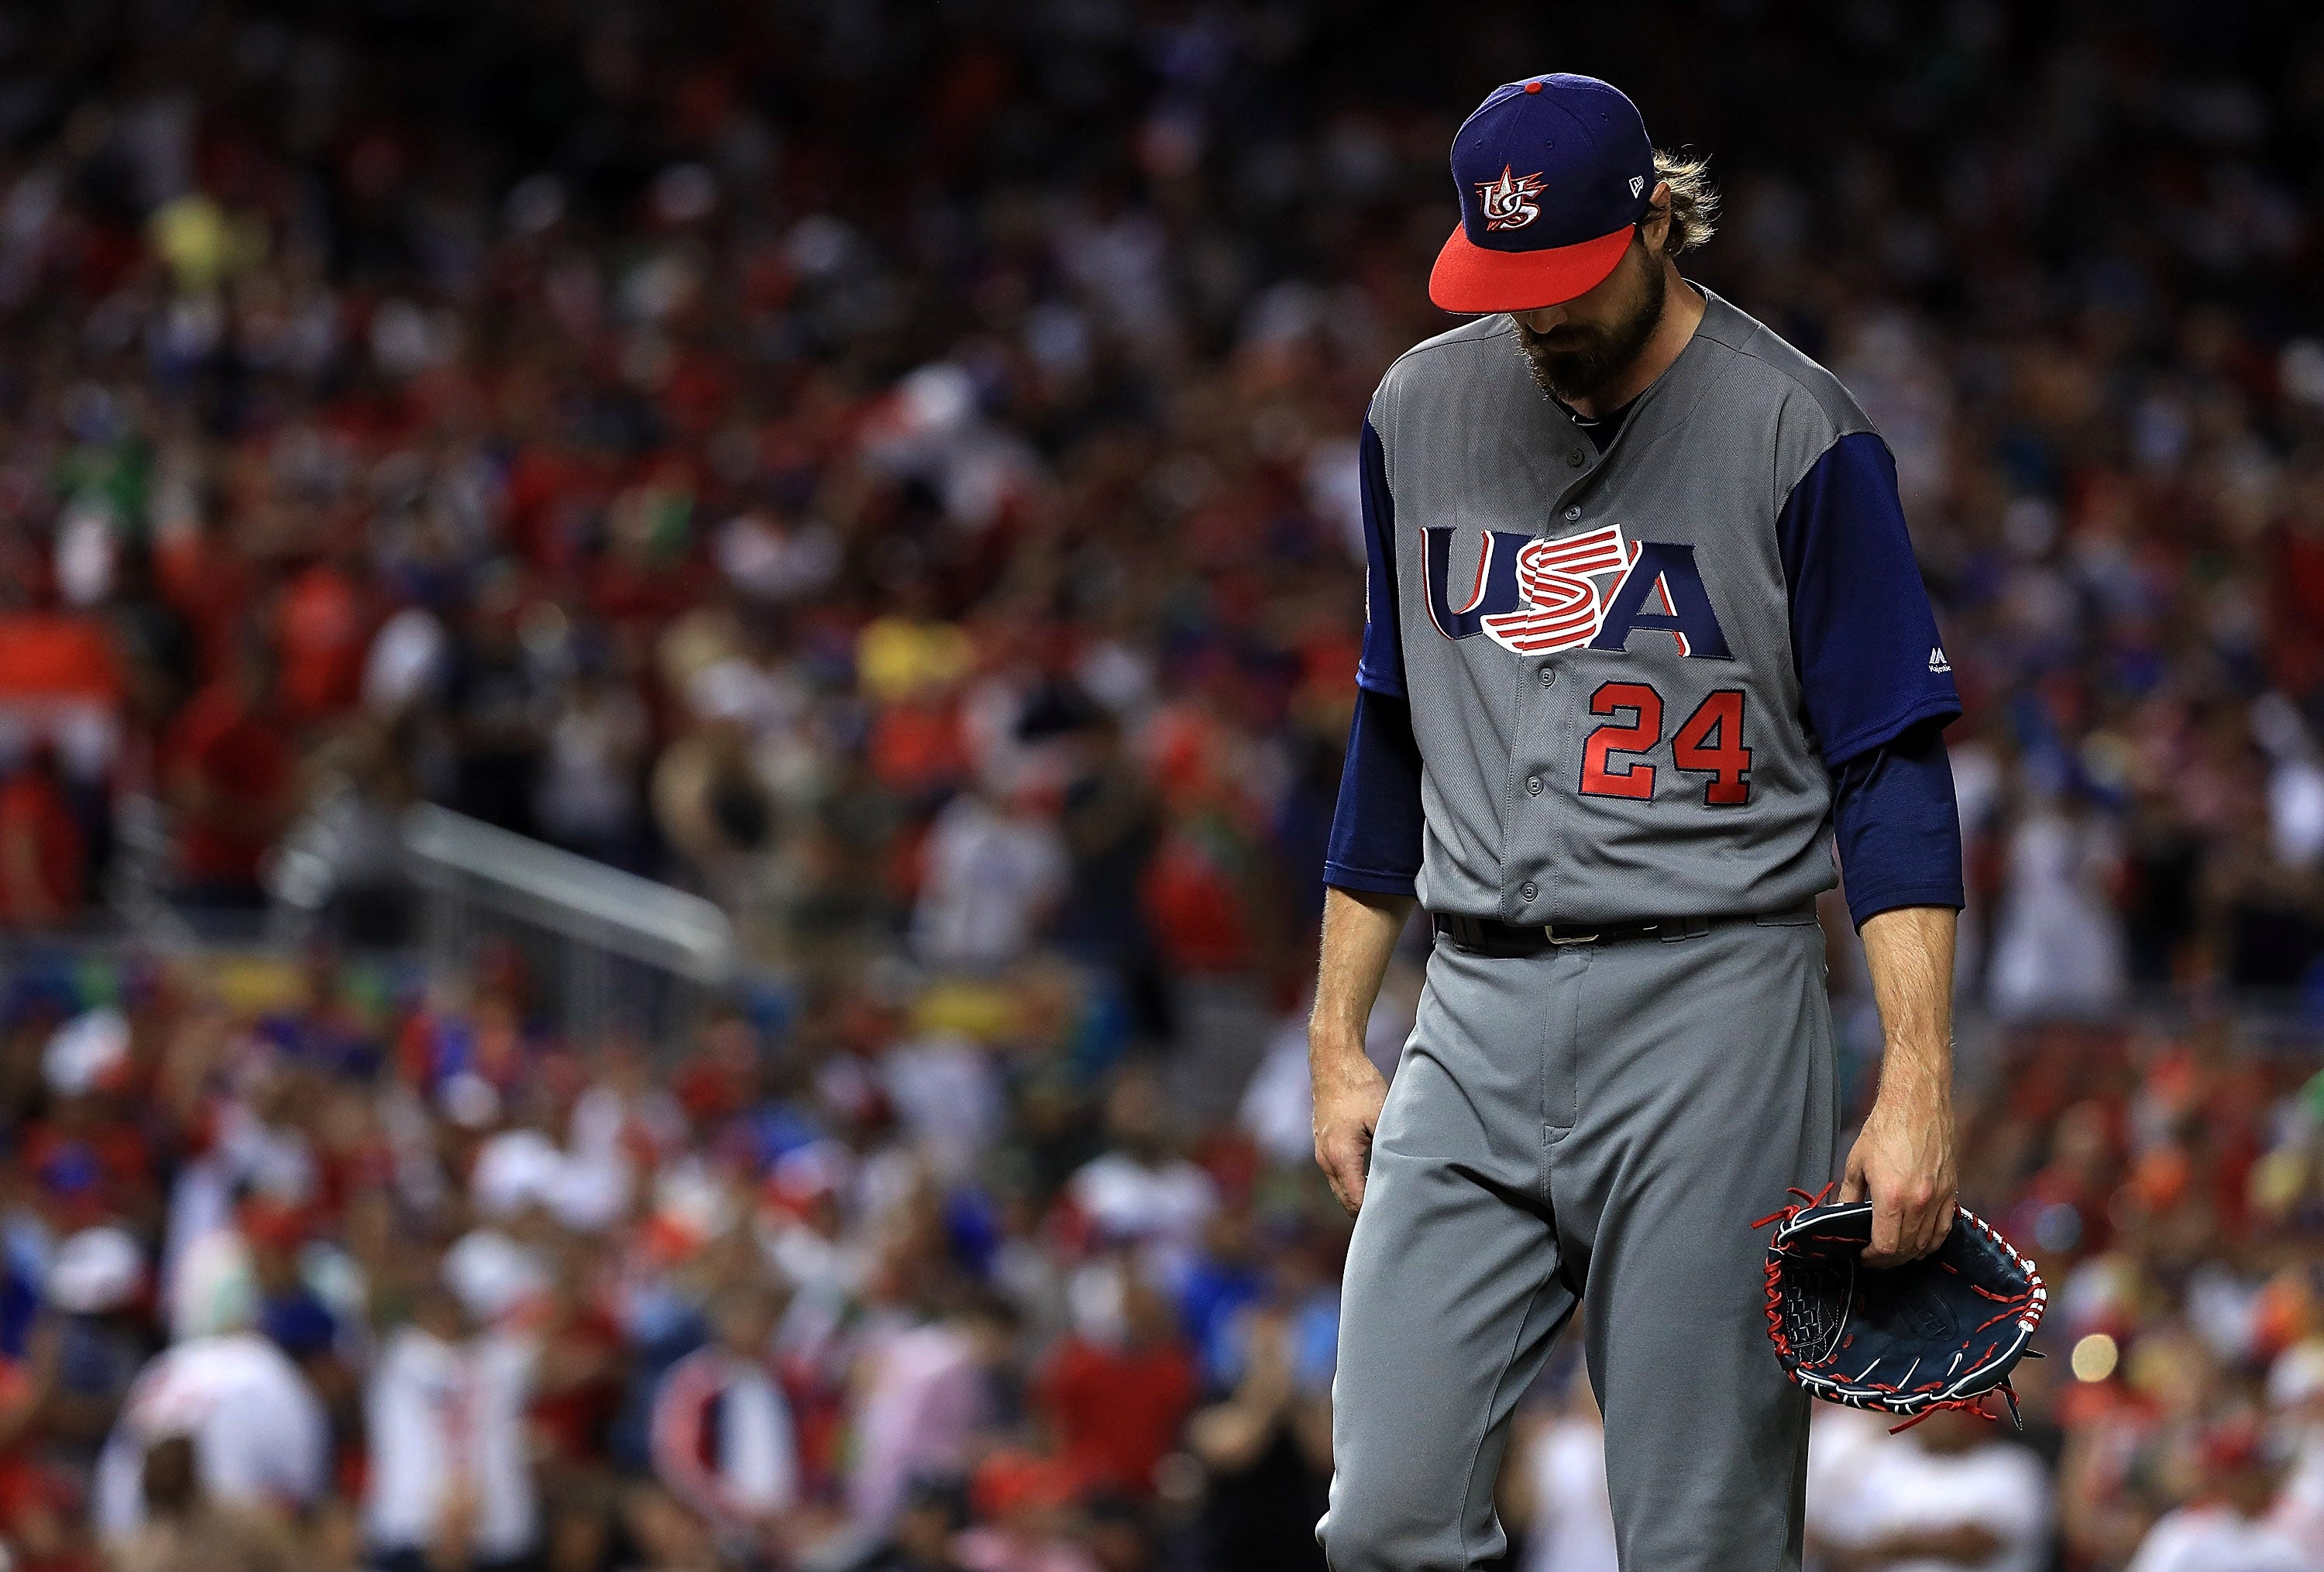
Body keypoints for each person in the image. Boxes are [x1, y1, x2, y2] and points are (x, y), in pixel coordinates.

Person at [1309, 74, 1968, 1571]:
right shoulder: (1417, 408)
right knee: (1386, 1517)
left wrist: (1917, 1079)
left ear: (1656, 219)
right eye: (1507, 280)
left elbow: (1892, 768)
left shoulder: (1800, 431)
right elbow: (1390, 722)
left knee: (1702, 1536)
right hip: (1469, 1007)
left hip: (1713, 1003)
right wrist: (1338, 1033)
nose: (1535, 314)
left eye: (1567, 278)